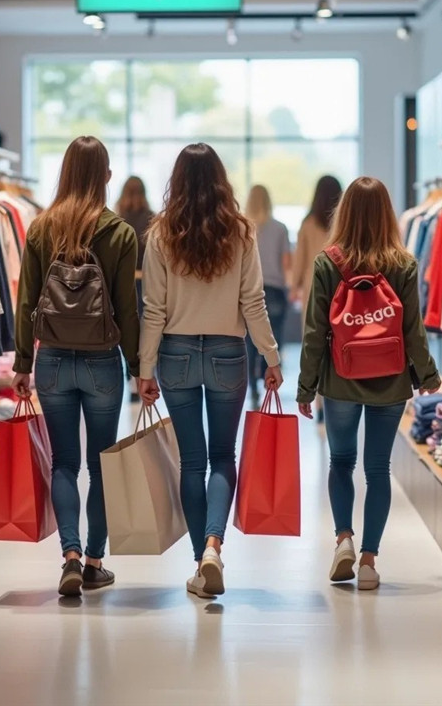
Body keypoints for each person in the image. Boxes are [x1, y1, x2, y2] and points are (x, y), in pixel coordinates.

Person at [139, 143, 283, 600]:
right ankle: (213, 550)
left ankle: (199, 563)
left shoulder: (161, 234)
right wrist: (272, 357)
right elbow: (253, 303)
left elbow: (153, 310)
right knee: (224, 457)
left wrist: (144, 368)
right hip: (227, 353)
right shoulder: (241, 232)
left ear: (177, 181)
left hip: (176, 354)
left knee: (192, 461)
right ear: (221, 180)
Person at [297, 177, 441, 591]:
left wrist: (306, 388)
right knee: (378, 469)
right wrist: (428, 375)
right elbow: (413, 330)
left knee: (341, 462)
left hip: (340, 379)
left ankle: (343, 538)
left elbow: (313, 332)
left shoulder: (328, 262)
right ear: (386, 214)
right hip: (390, 380)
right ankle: (369, 562)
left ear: (344, 213)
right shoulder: (402, 263)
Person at [12, 136, 140, 598]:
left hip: (51, 361)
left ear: (64, 173)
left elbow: (27, 301)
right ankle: (93, 562)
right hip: (102, 361)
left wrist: (22, 362)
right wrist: (140, 368)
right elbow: (128, 309)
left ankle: (67, 555)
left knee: (64, 462)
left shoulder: (41, 228)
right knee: (102, 463)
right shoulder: (120, 234)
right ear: (106, 177)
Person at [291, 174, 343, 422]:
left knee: (315, 347)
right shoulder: (343, 224)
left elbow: (299, 260)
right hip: (342, 292)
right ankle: (337, 398)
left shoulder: (308, 223)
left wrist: (294, 287)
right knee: (339, 345)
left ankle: (319, 404)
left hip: (313, 293)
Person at [245, 184, 291, 407]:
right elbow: (286, 263)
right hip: (274, 289)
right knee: (273, 340)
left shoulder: (243, 229)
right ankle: (268, 378)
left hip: (247, 290)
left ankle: (252, 386)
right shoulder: (280, 228)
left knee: (250, 342)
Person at [117, 175, 154, 403]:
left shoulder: (117, 219)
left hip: (123, 284)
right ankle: (145, 377)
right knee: (146, 332)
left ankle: (130, 384)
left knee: (125, 334)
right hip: (148, 282)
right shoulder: (152, 220)